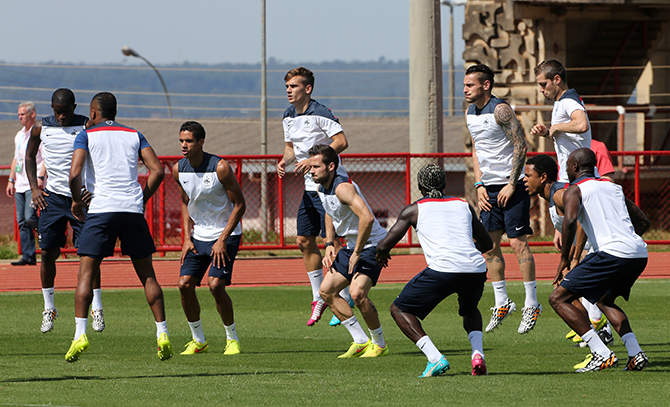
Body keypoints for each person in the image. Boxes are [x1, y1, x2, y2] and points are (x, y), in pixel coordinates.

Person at [64, 92, 172, 362]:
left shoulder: (86, 135)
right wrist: (140, 199)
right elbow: (157, 170)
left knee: (86, 274)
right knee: (148, 275)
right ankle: (163, 334)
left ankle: (80, 335)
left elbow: (75, 173)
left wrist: (77, 201)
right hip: (131, 210)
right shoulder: (135, 134)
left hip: (101, 210)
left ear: (92, 113)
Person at [376, 164, 493, 377]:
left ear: (420, 187)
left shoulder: (414, 209)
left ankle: (435, 358)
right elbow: (486, 243)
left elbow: (384, 245)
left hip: (444, 269)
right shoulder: (463, 204)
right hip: (475, 268)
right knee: (470, 309)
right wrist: (465, 253)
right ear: (445, 184)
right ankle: (478, 355)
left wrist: (381, 255)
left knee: (399, 309)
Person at [549, 148, 650, 372]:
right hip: (638, 253)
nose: (565, 170)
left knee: (558, 299)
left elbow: (570, 220)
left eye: (566, 166)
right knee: (604, 300)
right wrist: (626, 244)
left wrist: (563, 260)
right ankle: (635, 354)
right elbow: (643, 221)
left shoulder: (576, 189)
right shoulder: (613, 187)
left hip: (611, 254)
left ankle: (601, 353)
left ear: (574, 167)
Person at [464, 64, 541, 334]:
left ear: (486, 85)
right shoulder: (469, 113)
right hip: (488, 190)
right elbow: (476, 149)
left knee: (518, 244)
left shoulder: (501, 110)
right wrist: (479, 184)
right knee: (488, 247)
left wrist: (511, 184)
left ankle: (531, 303)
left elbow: (521, 144)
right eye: (464, 85)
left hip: (513, 187)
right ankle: (501, 301)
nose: (465, 90)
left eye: (470, 85)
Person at [277, 67, 353, 327]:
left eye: (294, 86)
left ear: (307, 89)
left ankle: (343, 294)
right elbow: (290, 148)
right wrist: (284, 161)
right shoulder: (288, 115)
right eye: (287, 86)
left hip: (328, 186)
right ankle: (317, 296)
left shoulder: (320, 112)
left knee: (331, 242)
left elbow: (342, 141)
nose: (289, 90)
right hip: (309, 188)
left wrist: (313, 160)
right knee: (302, 239)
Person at [25, 89, 104, 334]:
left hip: (81, 199)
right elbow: (29, 156)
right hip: (53, 200)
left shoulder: (87, 125)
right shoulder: (41, 128)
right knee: (47, 253)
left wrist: (93, 187)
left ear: (74, 107)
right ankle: (49, 308)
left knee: (90, 254)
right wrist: (34, 188)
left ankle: (97, 307)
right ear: (51, 108)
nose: (60, 116)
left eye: (65, 111)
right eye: (56, 111)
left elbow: (101, 157)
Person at [523, 154, 614, 361]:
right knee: (566, 293)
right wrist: (560, 233)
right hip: (591, 251)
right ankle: (600, 335)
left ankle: (600, 342)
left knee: (563, 295)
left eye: (528, 175)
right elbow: (568, 218)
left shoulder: (559, 193)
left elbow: (580, 221)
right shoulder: (552, 194)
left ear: (543, 177)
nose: (524, 179)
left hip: (597, 250)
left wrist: (573, 259)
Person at [172, 121, 246, 356]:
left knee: (215, 286)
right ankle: (198, 340)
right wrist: (186, 238)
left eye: (189, 141)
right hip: (198, 236)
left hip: (226, 234)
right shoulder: (178, 169)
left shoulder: (220, 167)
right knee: (184, 285)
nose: (184, 145)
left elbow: (240, 205)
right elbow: (185, 203)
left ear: (201, 142)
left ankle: (232, 339)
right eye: (181, 140)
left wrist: (222, 239)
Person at [308, 144, 389, 358]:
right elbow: (329, 213)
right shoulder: (321, 188)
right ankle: (361, 341)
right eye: (311, 166)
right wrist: (328, 244)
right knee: (326, 292)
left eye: (316, 166)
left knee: (357, 294)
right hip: (351, 246)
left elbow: (368, 218)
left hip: (371, 245)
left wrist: (357, 252)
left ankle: (379, 344)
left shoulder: (342, 187)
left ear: (331, 166)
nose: (311, 170)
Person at [531, 59, 592, 183]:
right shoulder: (560, 102)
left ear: (557, 79)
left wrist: (557, 127)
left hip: (578, 178)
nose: (541, 90)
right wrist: (547, 133)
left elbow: (582, 124)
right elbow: (569, 135)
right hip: (571, 176)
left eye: (543, 84)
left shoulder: (568, 100)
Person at [7, 101, 44, 266]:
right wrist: (11, 179)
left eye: (22, 114)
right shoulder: (19, 135)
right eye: (19, 115)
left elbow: (45, 160)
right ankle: (28, 256)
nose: (20, 117)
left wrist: (41, 177)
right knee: (21, 220)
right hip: (20, 183)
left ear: (32, 114)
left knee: (30, 218)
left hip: (33, 184)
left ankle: (48, 234)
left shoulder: (39, 133)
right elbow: (16, 158)